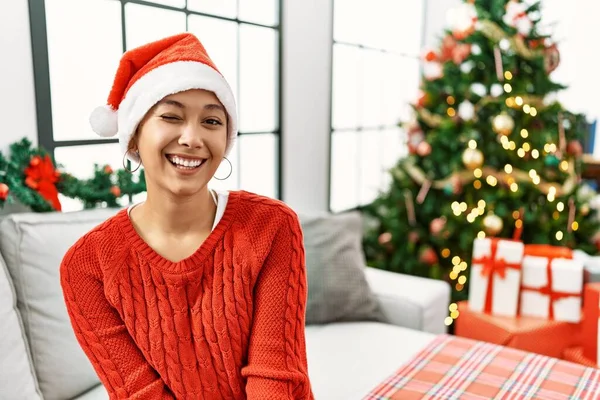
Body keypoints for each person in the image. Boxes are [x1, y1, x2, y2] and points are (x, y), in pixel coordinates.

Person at [60, 32, 313, 399]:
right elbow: (138, 393)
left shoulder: (271, 227)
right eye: (171, 116)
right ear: (133, 136)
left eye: (211, 122)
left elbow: (274, 373)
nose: (192, 138)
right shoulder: (87, 267)